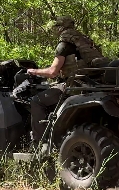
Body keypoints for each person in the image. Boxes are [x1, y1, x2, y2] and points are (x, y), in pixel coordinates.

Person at [26, 16, 106, 149]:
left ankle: (40, 145)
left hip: (73, 85)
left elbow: (53, 72)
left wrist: (33, 71)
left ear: (61, 27)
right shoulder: (85, 41)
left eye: (57, 26)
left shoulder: (64, 45)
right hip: (91, 83)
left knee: (36, 101)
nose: (56, 29)